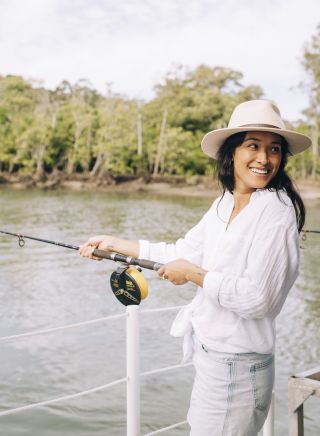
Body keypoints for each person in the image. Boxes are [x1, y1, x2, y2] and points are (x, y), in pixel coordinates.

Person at [79, 100, 311, 436]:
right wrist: (115, 243)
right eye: (253, 146)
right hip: (211, 358)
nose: (264, 158)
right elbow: (183, 251)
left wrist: (192, 274)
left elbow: (260, 300)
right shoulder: (225, 202)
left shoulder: (276, 210)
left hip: (238, 366)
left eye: (273, 149)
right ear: (231, 153)